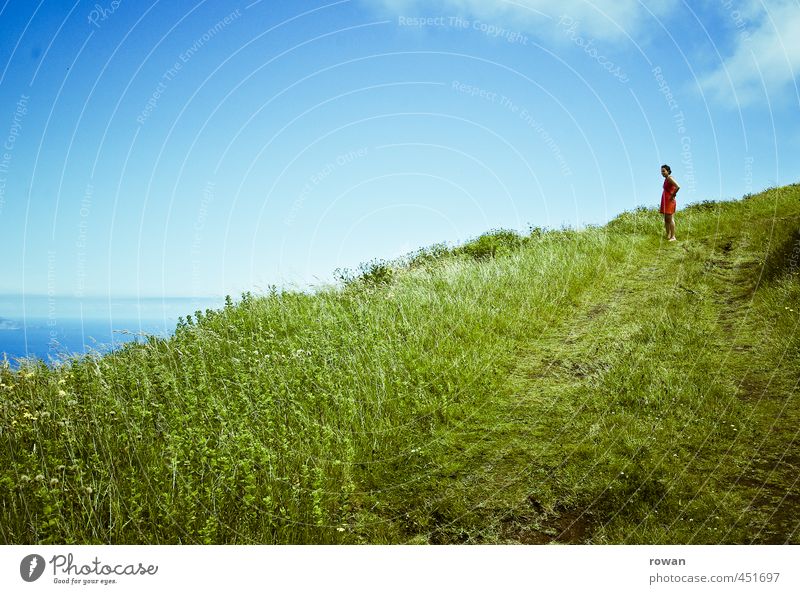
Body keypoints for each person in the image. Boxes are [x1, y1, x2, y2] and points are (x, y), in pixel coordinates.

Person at [660, 164, 679, 241]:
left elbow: (678, 186)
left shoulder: (670, 178)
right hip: (665, 201)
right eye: (661, 171)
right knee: (666, 219)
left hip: (670, 201)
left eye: (664, 171)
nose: (662, 173)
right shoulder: (666, 179)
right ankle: (668, 235)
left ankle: (673, 237)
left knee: (670, 219)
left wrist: (673, 195)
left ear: (668, 171)